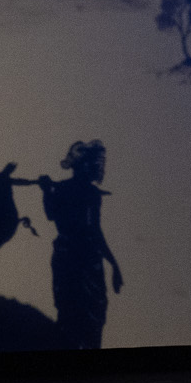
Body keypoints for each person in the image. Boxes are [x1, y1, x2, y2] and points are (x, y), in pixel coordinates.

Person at [37, 140, 122, 349]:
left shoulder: (90, 195)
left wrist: (114, 265)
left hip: (86, 258)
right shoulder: (66, 190)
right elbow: (52, 214)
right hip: (71, 256)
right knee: (69, 308)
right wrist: (47, 191)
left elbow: (95, 231)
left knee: (91, 312)